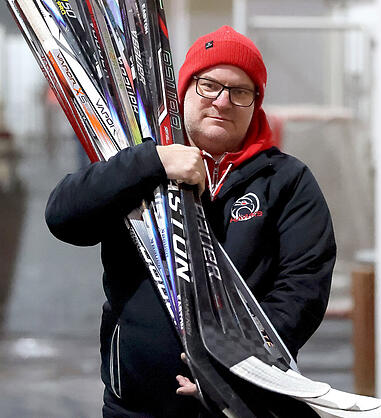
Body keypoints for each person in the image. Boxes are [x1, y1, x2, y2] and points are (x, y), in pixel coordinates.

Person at [45, 25, 336, 417]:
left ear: (256, 104)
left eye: (240, 91)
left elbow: (302, 289)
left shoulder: (286, 181)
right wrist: (155, 161)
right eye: (209, 85)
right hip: (138, 404)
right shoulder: (139, 166)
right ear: (183, 89)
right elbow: (63, 218)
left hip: (243, 402)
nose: (222, 101)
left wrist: (237, 367)